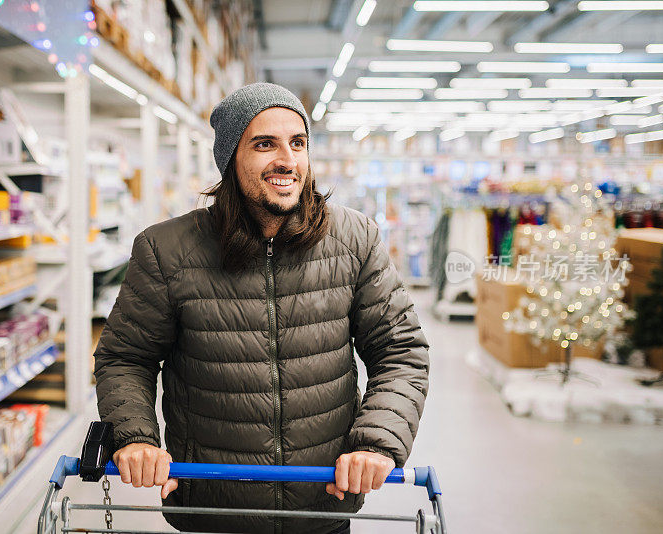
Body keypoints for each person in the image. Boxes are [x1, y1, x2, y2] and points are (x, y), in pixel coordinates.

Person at [94, 82, 430, 534]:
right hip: (213, 507)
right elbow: (125, 357)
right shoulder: (165, 249)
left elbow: (400, 352)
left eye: (298, 143)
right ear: (231, 157)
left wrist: (376, 444)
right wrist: (136, 437)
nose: (287, 160)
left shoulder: (355, 239)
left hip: (321, 502)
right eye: (264, 144)